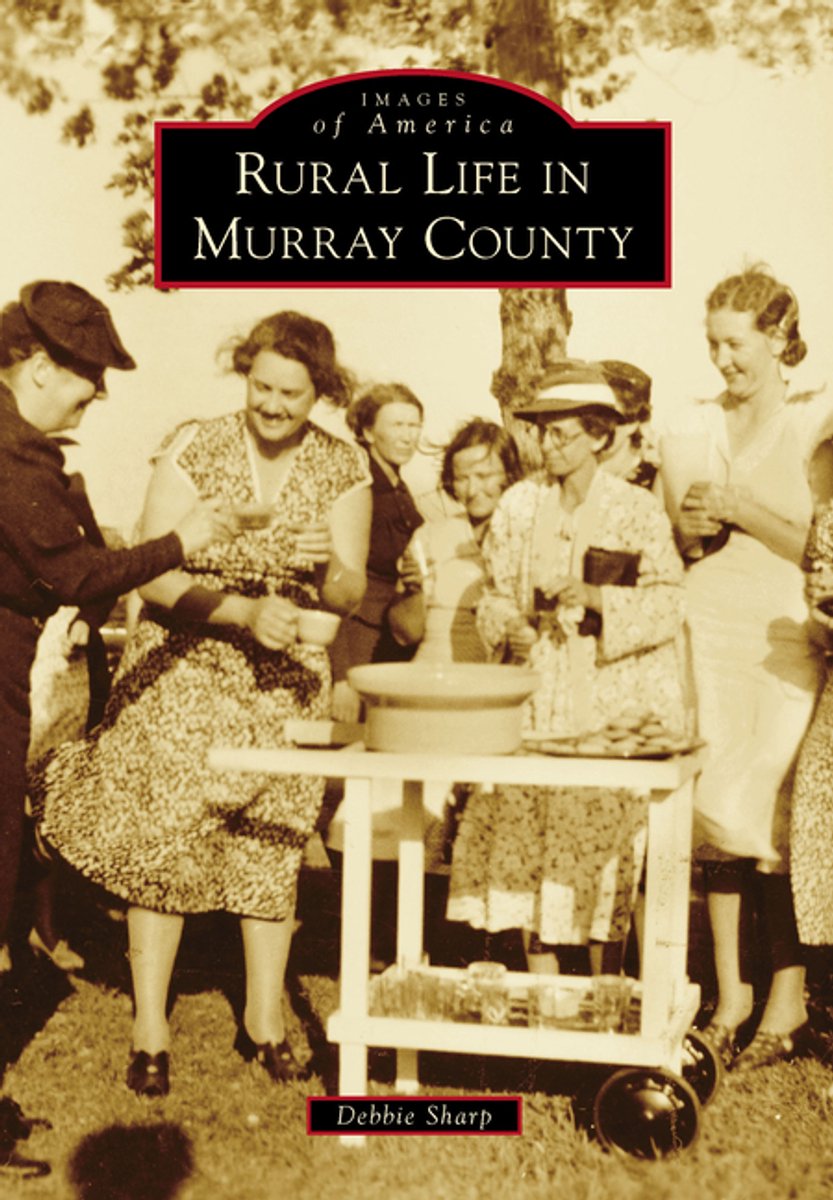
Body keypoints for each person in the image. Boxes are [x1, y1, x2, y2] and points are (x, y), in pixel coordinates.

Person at [36, 310, 371, 1096]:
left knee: (272, 837)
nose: (273, 405)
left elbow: (349, 593)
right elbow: (153, 575)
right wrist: (241, 611)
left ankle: (264, 1019)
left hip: (282, 675)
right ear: (244, 374)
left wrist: (328, 568)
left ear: (320, 393)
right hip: (184, 664)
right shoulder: (196, 445)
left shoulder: (343, 465)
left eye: (291, 393)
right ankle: (150, 1029)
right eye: (262, 386)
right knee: (165, 838)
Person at [0, 279, 225, 1153]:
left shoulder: (25, 448)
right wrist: (182, 541)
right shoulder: (14, 455)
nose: (97, 391)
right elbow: (75, 573)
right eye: (88, 373)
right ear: (38, 365)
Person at [447, 362, 686, 975]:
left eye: (562, 433)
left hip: (608, 705)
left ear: (600, 436)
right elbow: (494, 596)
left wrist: (596, 596)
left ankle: (609, 992)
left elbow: (668, 602)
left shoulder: (636, 509)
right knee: (531, 851)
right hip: (538, 701)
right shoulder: (519, 506)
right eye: (541, 432)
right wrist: (509, 624)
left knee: (604, 853)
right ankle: (545, 1001)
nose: (547, 446)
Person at [659, 265, 833, 1071]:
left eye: (735, 343)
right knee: (713, 814)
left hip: (783, 637)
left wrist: (742, 510)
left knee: (768, 813)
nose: (721, 359)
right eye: (712, 344)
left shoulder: (813, 421)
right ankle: (729, 996)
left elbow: (819, 546)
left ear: (777, 337)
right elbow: (685, 541)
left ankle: (784, 1001)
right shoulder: (697, 422)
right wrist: (694, 526)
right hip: (706, 626)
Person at [389, 417, 523, 662]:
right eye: (462, 478)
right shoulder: (429, 536)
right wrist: (414, 591)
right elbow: (405, 634)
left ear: (509, 474)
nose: (472, 490)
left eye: (484, 476)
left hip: (501, 677)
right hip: (433, 674)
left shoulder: (528, 533)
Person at [329, 382, 424, 721]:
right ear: (368, 432)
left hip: (390, 634)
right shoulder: (358, 484)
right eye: (397, 425)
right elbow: (332, 582)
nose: (408, 436)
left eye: (414, 425)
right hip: (355, 637)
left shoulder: (399, 488)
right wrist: (341, 674)